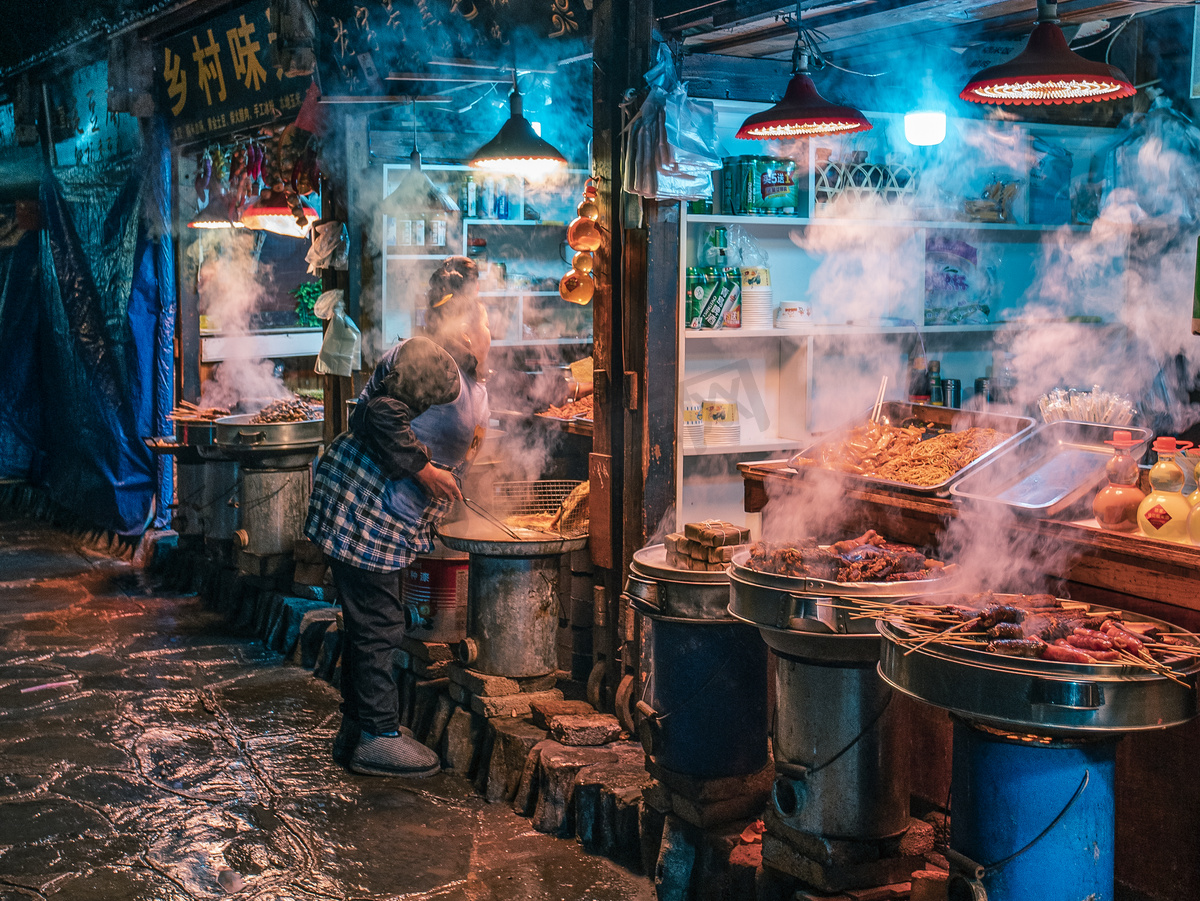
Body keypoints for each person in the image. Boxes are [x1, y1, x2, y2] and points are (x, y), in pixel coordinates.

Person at [304, 256, 491, 777]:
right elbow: (377, 414)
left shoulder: (456, 369)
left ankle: (357, 730)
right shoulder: (432, 359)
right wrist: (427, 472)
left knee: (370, 620)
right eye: (484, 317)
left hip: (381, 512)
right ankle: (378, 737)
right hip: (364, 505)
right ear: (465, 321)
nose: (489, 328)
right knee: (379, 622)